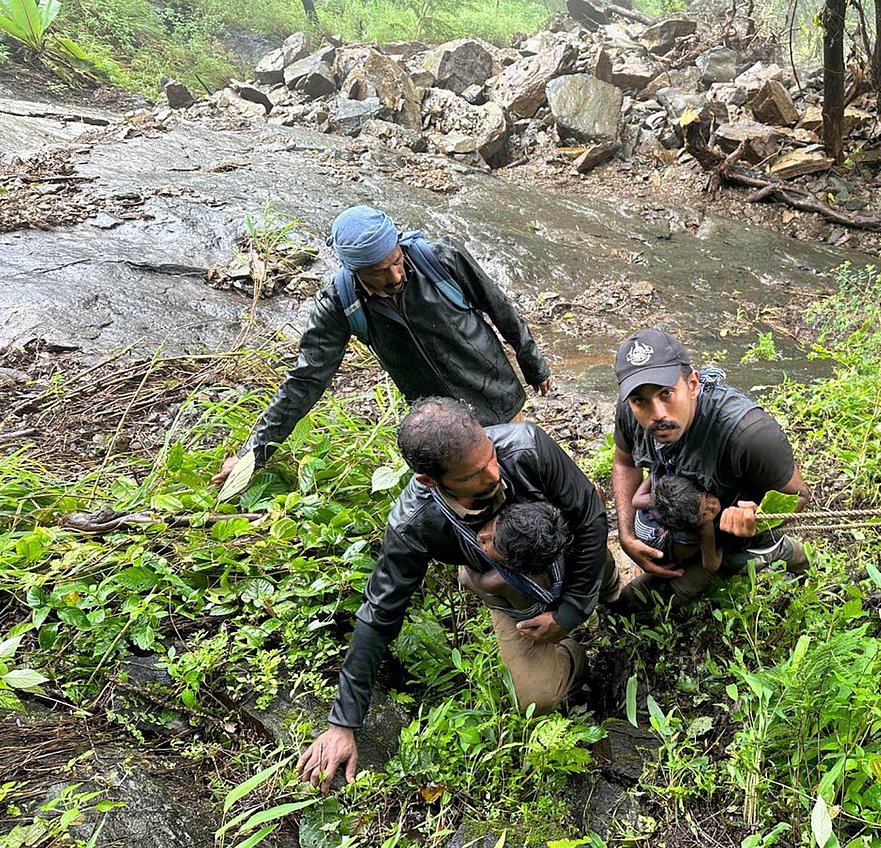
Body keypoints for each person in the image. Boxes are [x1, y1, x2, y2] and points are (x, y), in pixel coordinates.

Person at [297, 397, 615, 794]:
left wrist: (571, 610)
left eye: (491, 457)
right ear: (429, 481)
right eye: (474, 475)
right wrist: (342, 724)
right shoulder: (415, 525)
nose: (494, 475)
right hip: (502, 584)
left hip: (560, 546)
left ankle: (612, 592)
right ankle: (574, 655)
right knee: (537, 697)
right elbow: (379, 614)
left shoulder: (526, 447)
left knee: (600, 567)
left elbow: (589, 517)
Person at [213, 205, 551, 486]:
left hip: (495, 394)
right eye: (378, 271)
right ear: (354, 270)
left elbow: (500, 308)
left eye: (396, 260)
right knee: (475, 489)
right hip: (438, 421)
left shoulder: (441, 259)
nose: (393, 276)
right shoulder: (340, 305)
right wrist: (251, 456)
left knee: (525, 471)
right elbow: (305, 381)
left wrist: (532, 362)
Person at [611, 328, 810, 604]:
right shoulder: (630, 411)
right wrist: (627, 535)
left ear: (693, 384)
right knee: (630, 606)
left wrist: (759, 518)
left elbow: (799, 496)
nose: (657, 414)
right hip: (681, 525)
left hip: (729, 538)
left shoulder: (749, 435)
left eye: (666, 393)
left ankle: (787, 551)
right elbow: (624, 462)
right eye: (640, 400)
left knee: (737, 561)